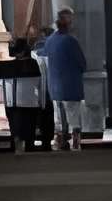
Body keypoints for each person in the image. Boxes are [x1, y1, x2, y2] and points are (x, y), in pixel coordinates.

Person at [34, 9, 92, 150]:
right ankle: (75, 140)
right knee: (73, 114)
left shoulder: (50, 41)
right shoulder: (71, 41)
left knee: (59, 116)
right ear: (68, 24)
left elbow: (44, 56)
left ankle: (60, 140)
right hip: (71, 85)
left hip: (54, 85)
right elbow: (82, 63)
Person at [0, 36, 48, 151]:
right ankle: (27, 147)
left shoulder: (10, 66)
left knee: (16, 132)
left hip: (14, 103)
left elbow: (0, 82)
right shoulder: (35, 63)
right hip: (30, 103)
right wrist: (41, 103)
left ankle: (19, 148)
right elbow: (41, 84)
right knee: (29, 132)